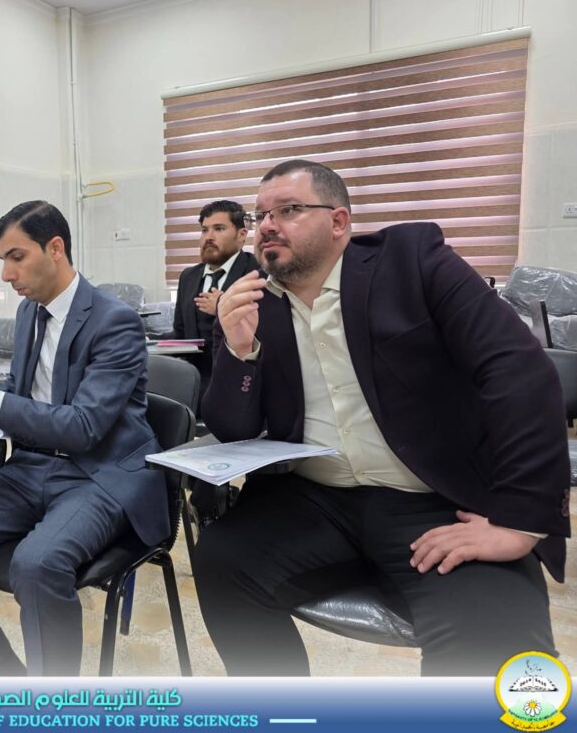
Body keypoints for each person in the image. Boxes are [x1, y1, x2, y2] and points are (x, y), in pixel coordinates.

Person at [193, 159, 571, 676]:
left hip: (437, 500)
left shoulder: (412, 261)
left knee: (494, 642)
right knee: (220, 561)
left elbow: (520, 372)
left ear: (339, 222)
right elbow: (233, 429)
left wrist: (520, 520)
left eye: (289, 210)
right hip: (315, 500)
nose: (268, 226)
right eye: (261, 215)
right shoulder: (252, 301)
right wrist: (240, 352)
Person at [0, 200, 167, 676]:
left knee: (37, 564)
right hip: (31, 467)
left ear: (55, 248)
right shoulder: (28, 313)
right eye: (4, 259)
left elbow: (84, 426)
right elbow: (24, 393)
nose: (6, 274)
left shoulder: (114, 320)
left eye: (16, 257)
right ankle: (5, 679)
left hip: (98, 473)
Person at [171, 199, 256, 411]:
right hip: (194, 382)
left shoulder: (256, 273)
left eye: (219, 229)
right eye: (204, 230)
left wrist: (222, 306)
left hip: (241, 382)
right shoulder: (188, 277)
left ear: (241, 235)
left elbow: (267, 332)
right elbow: (180, 333)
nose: (209, 237)